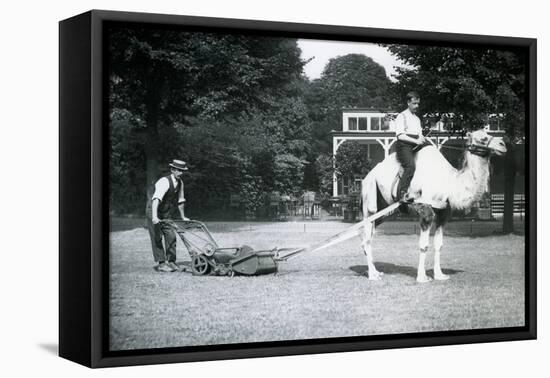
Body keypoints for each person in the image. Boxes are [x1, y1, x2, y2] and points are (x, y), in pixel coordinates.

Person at [146, 159, 190, 272]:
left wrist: (183, 217)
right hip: (154, 210)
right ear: (172, 170)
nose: (180, 173)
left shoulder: (180, 183)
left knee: (171, 235)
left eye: (182, 170)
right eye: (178, 170)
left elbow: (181, 201)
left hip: (166, 212)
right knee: (157, 237)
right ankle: (161, 263)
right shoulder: (164, 181)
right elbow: (156, 199)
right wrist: (155, 217)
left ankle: (171, 262)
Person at [394, 91, 428, 202]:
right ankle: (403, 194)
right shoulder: (401, 116)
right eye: (414, 103)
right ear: (408, 102)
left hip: (415, 145)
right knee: (410, 166)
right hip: (404, 146)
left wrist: (422, 139)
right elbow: (400, 136)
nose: (417, 106)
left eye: (418, 103)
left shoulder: (417, 119)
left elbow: (420, 134)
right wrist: (416, 141)